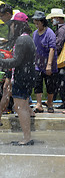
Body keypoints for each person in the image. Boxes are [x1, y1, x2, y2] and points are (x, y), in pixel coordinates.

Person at [0, 12, 36, 145]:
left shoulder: (21, 40)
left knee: (20, 107)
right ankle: (27, 137)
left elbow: (16, 62)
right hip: (28, 76)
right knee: (23, 106)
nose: (12, 28)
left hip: (22, 77)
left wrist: (1, 62)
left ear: (18, 25)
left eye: (13, 25)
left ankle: (26, 138)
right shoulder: (27, 38)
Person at [32, 11, 58, 113]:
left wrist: (49, 65)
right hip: (38, 64)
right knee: (38, 84)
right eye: (35, 21)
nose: (36, 23)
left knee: (49, 84)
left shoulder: (49, 33)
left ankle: (50, 103)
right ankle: (39, 104)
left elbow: (52, 48)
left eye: (38, 21)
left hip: (49, 63)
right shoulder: (35, 33)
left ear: (43, 22)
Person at [46, 8, 65, 109]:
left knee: (61, 81)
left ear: (57, 18)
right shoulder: (64, 28)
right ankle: (60, 101)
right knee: (61, 81)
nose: (52, 20)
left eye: (53, 18)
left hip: (61, 61)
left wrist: (50, 57)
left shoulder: (61, 30)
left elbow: (58, 46)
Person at [0, 3, 14, 125]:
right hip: (11, 61)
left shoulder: (14, 25)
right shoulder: (11, 25)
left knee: (6, 88)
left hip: (14, 62)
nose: (1, 18)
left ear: (8, 14)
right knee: (7, 88)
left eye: (1, 15)